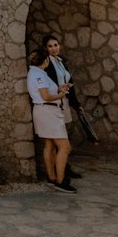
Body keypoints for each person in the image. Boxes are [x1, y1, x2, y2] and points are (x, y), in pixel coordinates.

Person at [27, 46, 75, 193]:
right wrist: (60, 96)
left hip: (43, 110)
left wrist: (59, 88)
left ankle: (52, 177)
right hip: (49, 111)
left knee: (49, 144)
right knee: (65, 147)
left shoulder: (35, 73)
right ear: (46, 60)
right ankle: (61, 181)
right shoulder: (40, 75)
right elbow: (46, 96)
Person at [37, 33, 83, 183]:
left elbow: (69, 82)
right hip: (54, 102)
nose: (54, 48)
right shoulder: (46, 64)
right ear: (45, 48)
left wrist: (76, 103)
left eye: (55, 45)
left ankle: (64, 166)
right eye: (50, 46)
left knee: (63, 135)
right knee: (56, 139)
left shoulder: (61, 61)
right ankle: (57, 172)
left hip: (65, 102)